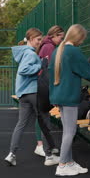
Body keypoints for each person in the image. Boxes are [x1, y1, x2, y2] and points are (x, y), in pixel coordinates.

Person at [49, 24, 90, 176]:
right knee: (70, 131)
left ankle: (68, 162)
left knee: (67, 131)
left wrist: (53, 96)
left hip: (59, 95)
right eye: (82, 39)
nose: (82, 42)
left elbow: (51, 75)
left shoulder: (58, 50)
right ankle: (63, 165)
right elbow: (88, 72)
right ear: (79, 37)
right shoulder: (73, 51)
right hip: (69, 96)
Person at [4, 28, 59, 167]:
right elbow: (24, 70)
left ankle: (12, 154)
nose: (40, 42)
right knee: (45, 123)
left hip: (23, 94)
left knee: (21, 124)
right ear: (29, 39)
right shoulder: (30, 54)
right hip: (34, 93)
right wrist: (40, 65)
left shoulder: (23, 53)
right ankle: (49, 156)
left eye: (41, 39)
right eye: (38, 39)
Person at [33, 25, 65, 157]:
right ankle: (45, 149)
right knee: (42, 116)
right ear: (54, 35)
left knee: (41, 115)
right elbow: (47, 70)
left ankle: (44, 146)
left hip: (41, 85)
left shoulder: (47, 45)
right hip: (43, 86)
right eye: (60, 38)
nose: (61, 40)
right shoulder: (49, 47)